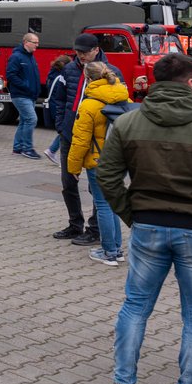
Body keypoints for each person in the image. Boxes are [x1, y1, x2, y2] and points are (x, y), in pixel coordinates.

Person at [98, 51, 192, 384]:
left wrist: (132, 214)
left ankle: (122, 382)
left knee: (135, 306)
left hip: (147, 225)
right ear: (191, 83)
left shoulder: (128, 122)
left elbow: (107, 176)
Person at [54, 33, 118, 246]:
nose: (80, 55)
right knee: (68, 182)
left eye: (85, 52)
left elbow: (119, 105)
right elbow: (59, 99)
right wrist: (61, 125)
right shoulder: (69, 69)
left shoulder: (110, 71)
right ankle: (75, 224)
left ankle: (95, 230)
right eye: (78, 51)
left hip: (95, 141)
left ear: (96, 50)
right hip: (70, 135)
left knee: (96, 188)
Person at [65, 61, 130, 267]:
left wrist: (73, 167)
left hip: (97, 161)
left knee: (102, 205)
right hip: (119, 160)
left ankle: (109, 252)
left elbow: (80, 140)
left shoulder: (89, 104)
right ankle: (117, 250)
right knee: (112, 205)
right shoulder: (124, 98)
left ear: (87, 78)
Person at [6, 32, 42, 160]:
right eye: (35, 42)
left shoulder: (30, 57)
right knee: (31, 119)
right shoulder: (16, 57)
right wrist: (25, 86)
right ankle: (27, 149)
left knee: (24, 121)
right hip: (21, 95)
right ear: (26, 42)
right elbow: (11, 75)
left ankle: (17, 148)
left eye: (38, 42)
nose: (37, 45)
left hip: (30, 95)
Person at [42, 54, 72, 164]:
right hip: (58, 107)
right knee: (66, 131)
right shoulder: (60, 78)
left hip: (53, 105)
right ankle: (53, 151)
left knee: (64, 131)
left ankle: (52, 150)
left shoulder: (52, 74)